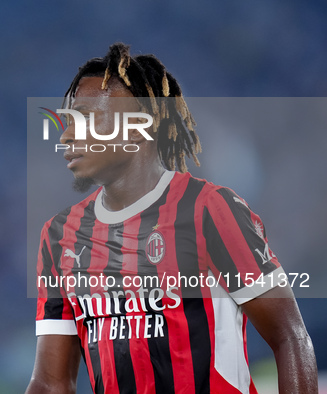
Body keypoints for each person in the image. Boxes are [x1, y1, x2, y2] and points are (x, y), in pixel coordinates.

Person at [26, 43, 317, 394]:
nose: (67, 134)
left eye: (86, 117)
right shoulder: (60, 237)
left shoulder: (210, 209)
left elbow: (289, 337)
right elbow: (50, 383)